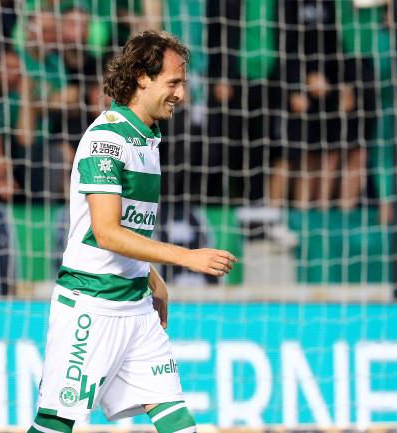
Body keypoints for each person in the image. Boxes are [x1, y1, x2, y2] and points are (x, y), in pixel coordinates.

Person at [28, 30, 236, 433]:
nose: (180, 94)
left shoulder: (147, 138)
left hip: (136, 307)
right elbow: (106, 233)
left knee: (178, 421)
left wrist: (152, 278)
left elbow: (129, 228)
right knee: (55, 425)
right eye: (173, 83)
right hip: (90, 306)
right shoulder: (106, 140)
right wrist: (186, 258)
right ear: (142, 77)